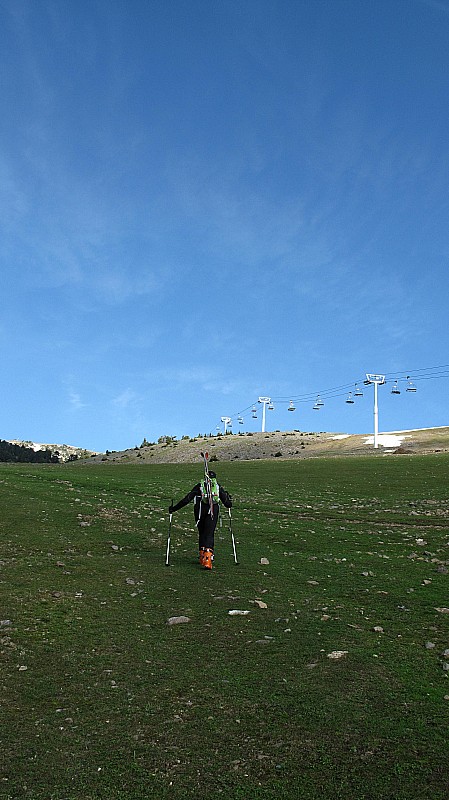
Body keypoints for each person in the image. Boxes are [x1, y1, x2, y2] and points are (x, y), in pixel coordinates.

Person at [169, 471, 232, 569]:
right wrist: (228, 498)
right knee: (209, 533)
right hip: (213, 510)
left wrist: (174, 508)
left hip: (199, 510)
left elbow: (187, 499)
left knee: (202, 532)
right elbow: (228, 504)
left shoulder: (199, 486)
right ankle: (208, 558)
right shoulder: (217, 487)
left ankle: (202, 555)